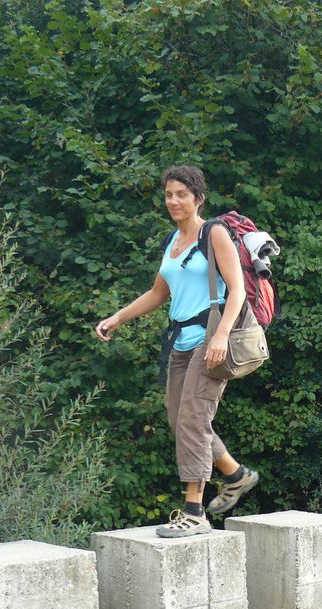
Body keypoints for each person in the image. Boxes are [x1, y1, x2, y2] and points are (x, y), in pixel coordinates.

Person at [95, 165, 259, 537]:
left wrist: (220, 337)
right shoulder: (173, 241)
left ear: (198, 198)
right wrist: (118, 317)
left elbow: (238, 291)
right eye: (168, 194)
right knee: (178, 420)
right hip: (181, 344)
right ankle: (236, 474)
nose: (173, 201)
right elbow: (158, 292)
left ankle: (194, 513)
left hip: (210, 341)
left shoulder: (214, 233)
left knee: (193, 422)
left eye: (181, 194)